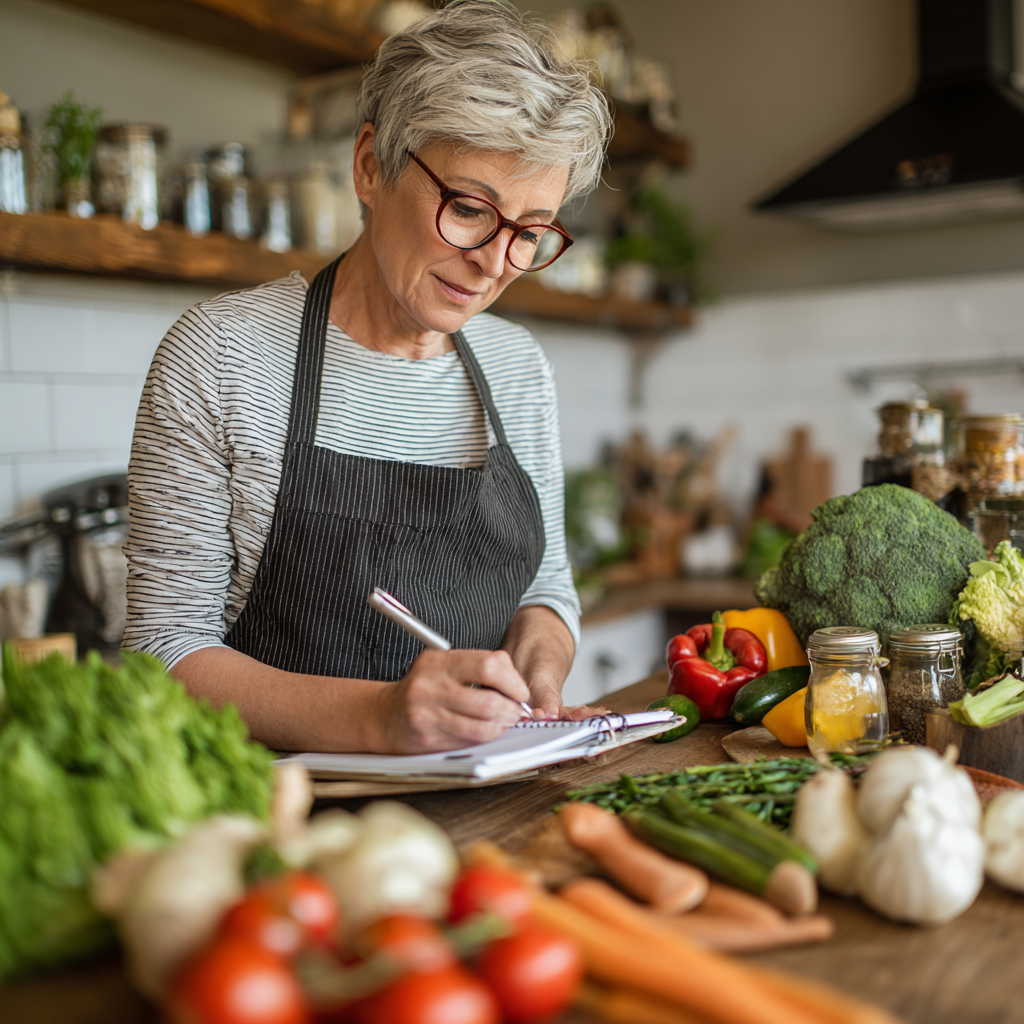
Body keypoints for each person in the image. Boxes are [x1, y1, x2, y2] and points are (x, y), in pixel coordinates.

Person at [122, 0, 612, 755]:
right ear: (369, 166)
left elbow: (544, 589)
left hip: (477, 806)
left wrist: (539, 677)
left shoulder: (517, 368)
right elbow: (163, 648)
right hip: (268, 807)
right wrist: (380, 718)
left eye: (531, 232)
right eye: (470, 208)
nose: (493, 262)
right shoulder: (220, 355)